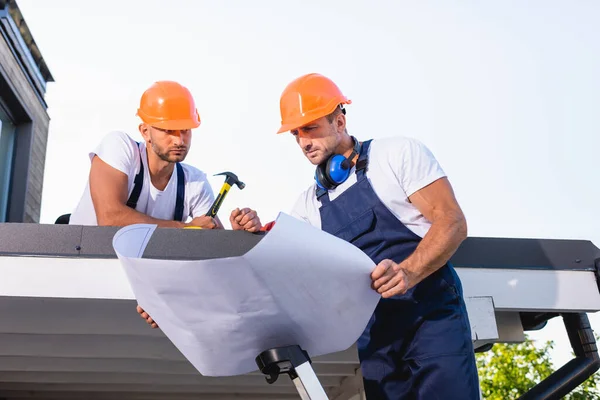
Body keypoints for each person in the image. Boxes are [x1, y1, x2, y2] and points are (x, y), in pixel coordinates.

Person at [276, 73, 480, 399]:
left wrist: (408, 272)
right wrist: (254, 232)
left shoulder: (396, 154)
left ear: (340, 121)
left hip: (431, 321)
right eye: (296, 134)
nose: (303, 142)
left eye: (311, 128)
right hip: (376, 340)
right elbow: (291, 270)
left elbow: (452, 222)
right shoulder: (307, 206)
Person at [69, 80, 261, 232]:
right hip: (80, 260)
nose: (179, 141)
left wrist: (238, 235)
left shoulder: (194, 182)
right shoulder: (118, 147)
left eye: (185, 130)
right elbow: (110, 218)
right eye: (169, 131)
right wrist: (187, 228)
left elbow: (211, 238)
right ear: (145, 132)